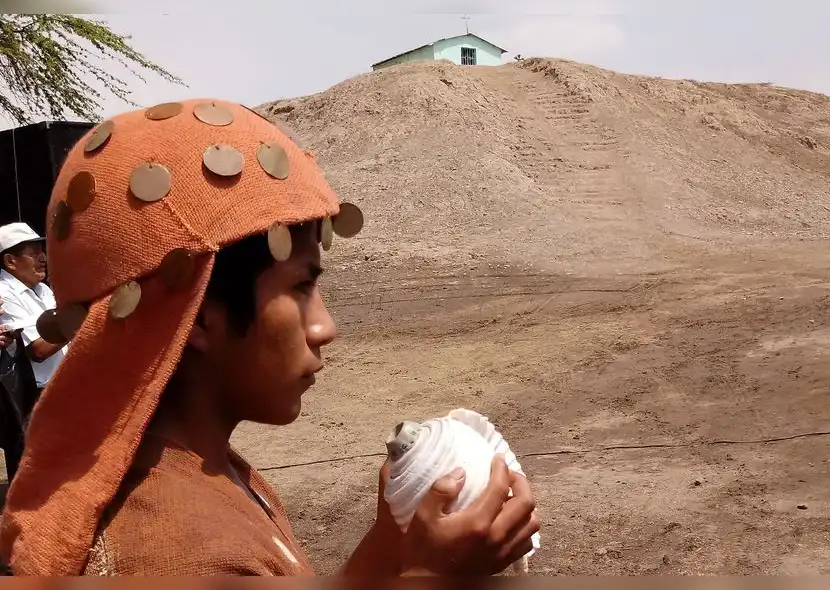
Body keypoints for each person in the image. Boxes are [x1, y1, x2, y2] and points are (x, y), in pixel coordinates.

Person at [0, 99, 539, 576]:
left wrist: (389, 547)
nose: (326, 327)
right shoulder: (181, 552)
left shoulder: (204, 468)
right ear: (201, 317)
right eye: (302, 286)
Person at [0, 223, 66, 392]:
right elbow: (38, 350)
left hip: (65, 386)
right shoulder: (3, 293)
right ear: (10, 261)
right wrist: (80, 319)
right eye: (34, 253)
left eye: (42, 251)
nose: (43, 257)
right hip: (37, 395)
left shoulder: (42, 288)